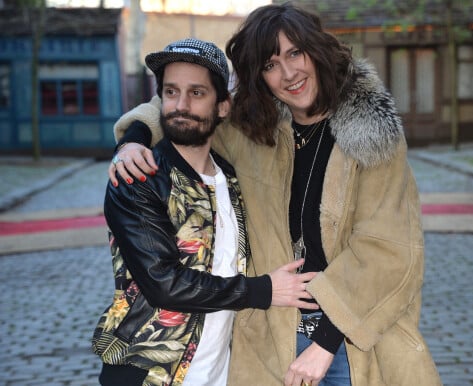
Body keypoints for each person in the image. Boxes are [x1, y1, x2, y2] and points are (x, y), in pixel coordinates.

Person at [109, 3, 442, 385]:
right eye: (270, 65)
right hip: (268, 341)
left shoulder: (371, 136)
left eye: (294, 53)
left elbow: (385, 249)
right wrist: (135, 139)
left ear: (315, 52)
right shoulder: (255, 132)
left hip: (347, 345)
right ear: (259, 78)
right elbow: (188, 104)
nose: (288, 74)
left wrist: (323, 345)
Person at [92, 37, 318, 386]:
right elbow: (164, 283)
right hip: (147, 373)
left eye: (197, 93)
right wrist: (265, 290)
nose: (180, 105)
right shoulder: (138, 177)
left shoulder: (231, 177)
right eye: (171, 92)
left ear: (223, 106)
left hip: (219, 373)